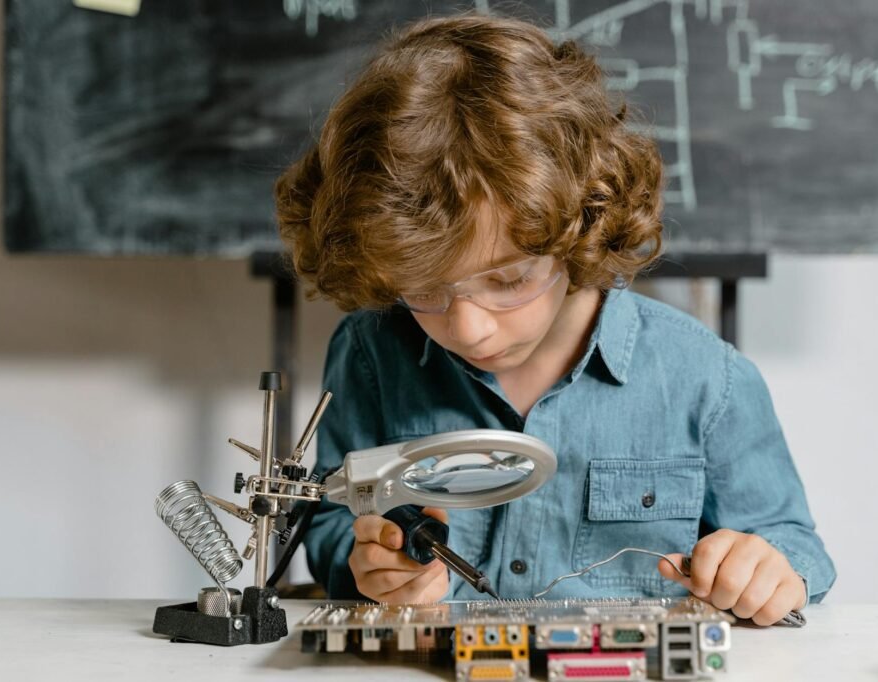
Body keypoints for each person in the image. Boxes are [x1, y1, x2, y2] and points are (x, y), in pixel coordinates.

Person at [274, 12, 835, 626]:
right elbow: (326, 521)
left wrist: (768, 569)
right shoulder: (370, 353)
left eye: (509, 280)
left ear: (582, 226)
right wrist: (369, 562)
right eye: (426, 289)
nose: (470, 329)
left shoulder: (705, 378)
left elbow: (792, 544)